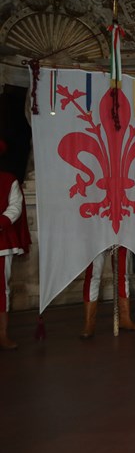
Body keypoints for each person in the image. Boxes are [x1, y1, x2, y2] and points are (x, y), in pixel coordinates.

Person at [0, 139, 31, 350]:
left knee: (1, 289)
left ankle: (2, 335)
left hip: (2, 241)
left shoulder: (8, 180)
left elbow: (15, 208)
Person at [79, 247, 135, 339]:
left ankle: (125, 318)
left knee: (123, 273)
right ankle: (89, 323)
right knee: (93, 275)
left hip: (120, 234)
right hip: (97, 235)